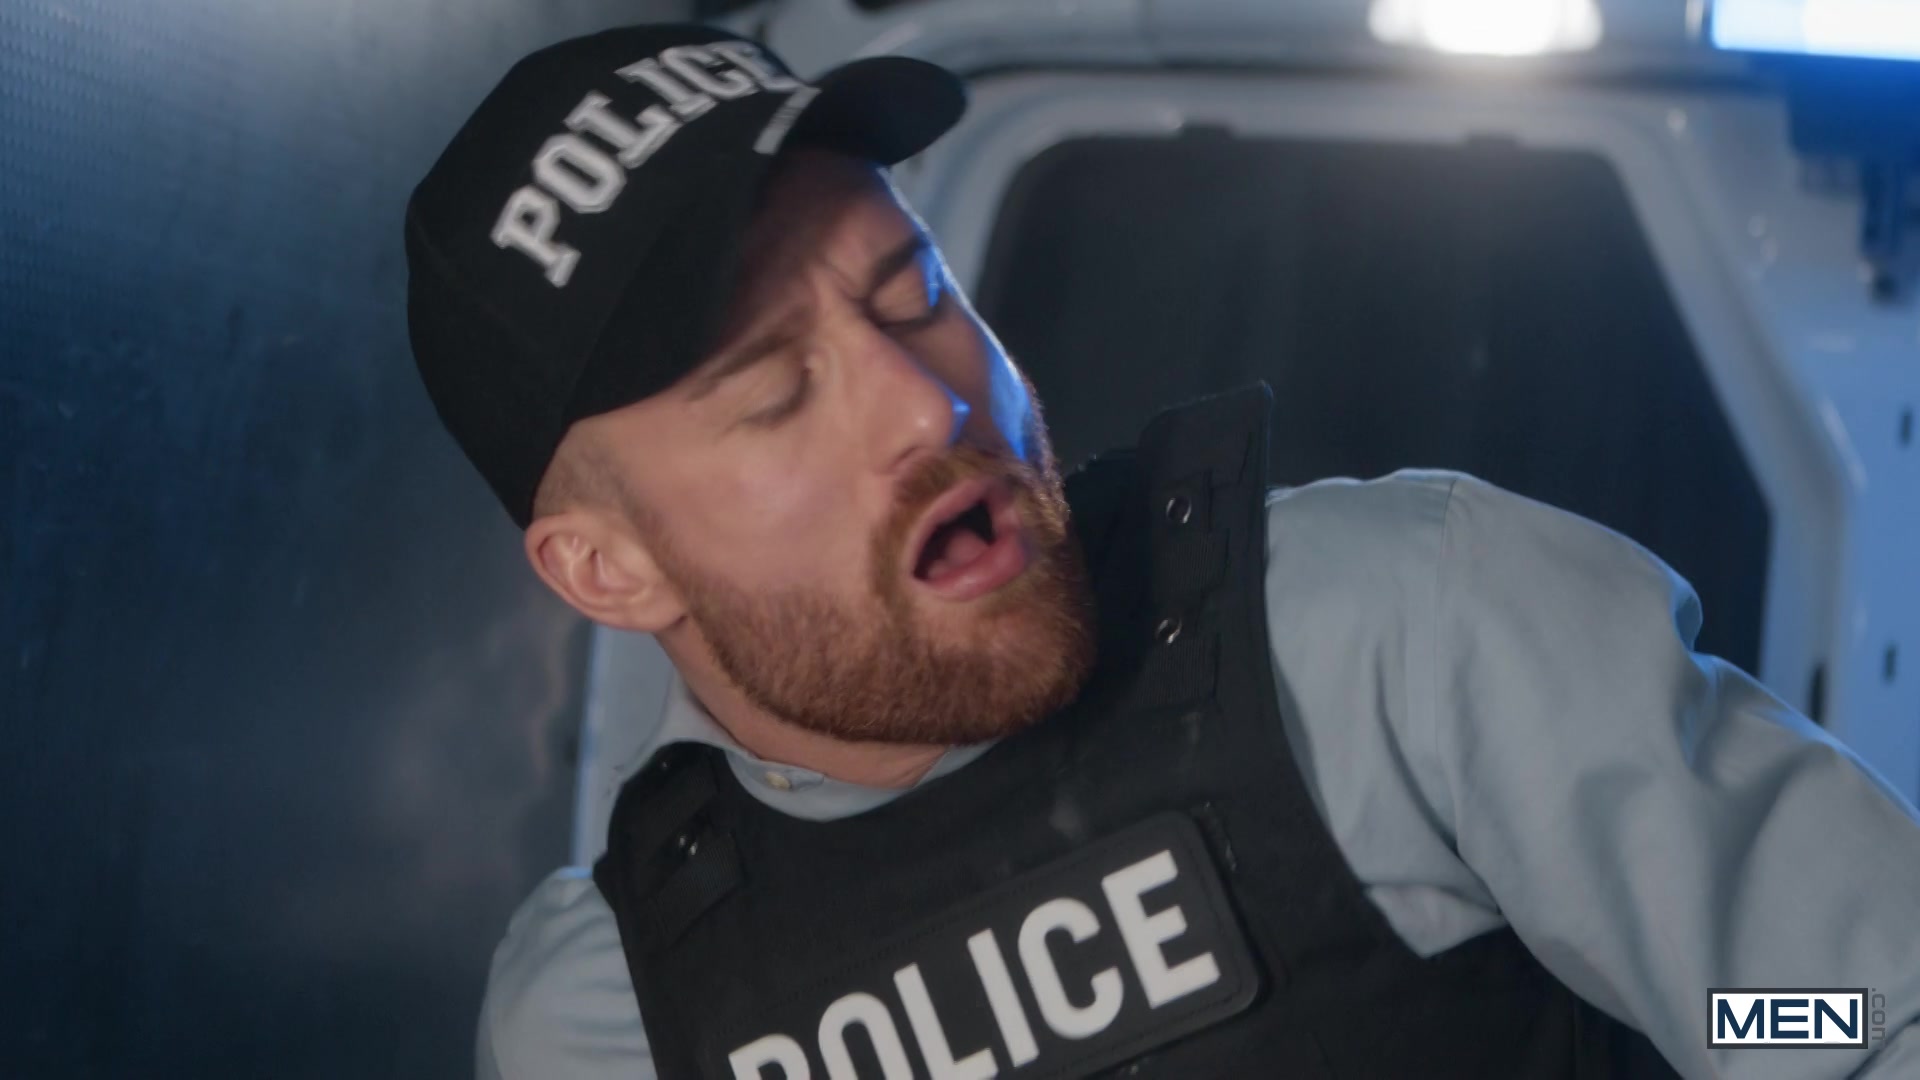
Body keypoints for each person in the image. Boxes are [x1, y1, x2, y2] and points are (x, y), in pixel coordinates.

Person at [404, 23, 1920, 1080]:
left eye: (913, 292)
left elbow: (1847, 1009)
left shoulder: (1389, 637)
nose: (929, 403)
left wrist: (1734, 1013)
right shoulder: (605, 1018)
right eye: (775, 393)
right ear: (608, 571)